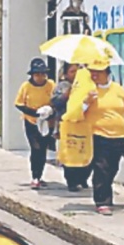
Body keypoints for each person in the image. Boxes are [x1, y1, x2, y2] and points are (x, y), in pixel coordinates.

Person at [82, 55, 124, 216]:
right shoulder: (88, 91)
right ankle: (102, 201)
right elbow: (76, 113)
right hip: (99, 135)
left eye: (98, 72)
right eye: (92, 72)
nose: (95, 75)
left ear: (107, 73)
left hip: (120, 136)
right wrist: (86, 102)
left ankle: (106, 194)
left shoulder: (118, 90)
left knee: (113, 168)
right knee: (101, 168)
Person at [14, 58, 55, 190]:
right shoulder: (26, 86)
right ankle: (34, 176)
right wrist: (34, 113)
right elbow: (19, 104)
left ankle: (40, 175)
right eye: (37, 74)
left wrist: (49, 112)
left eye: (43, 74)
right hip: (31, 121)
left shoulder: (50, 85)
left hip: (46, 122)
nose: (40, 77)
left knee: (43, 149)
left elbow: (55, 101)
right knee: (35, 148)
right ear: (32, 75)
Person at [49, 63, 90, 192]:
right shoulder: (62, 86)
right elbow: (55, 102)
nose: (75, 74)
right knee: (70, 154)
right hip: (66, 125)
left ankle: (83, 178)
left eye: (78, 71)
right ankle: (72, 181)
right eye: (72, 71)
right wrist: (66, 95)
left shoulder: (86, 85)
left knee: (85, 152)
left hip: (83, 125)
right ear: (66, 74)